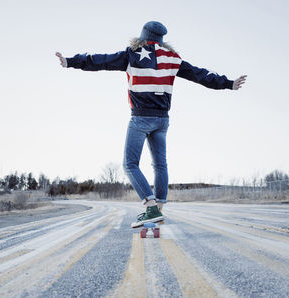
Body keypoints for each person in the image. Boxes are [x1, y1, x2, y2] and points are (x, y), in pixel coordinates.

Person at [56, 21, 246, 228]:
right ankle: (158, 210)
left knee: (130, 164)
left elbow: (100, 61)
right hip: (162, 120)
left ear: (143, 36)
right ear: (162, 39)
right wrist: (228, 83)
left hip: (140, 118)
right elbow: (200, 75)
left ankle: (150, 206)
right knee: (160, 164)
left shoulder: (132, 54)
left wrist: (70, 61)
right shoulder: (172, 59)